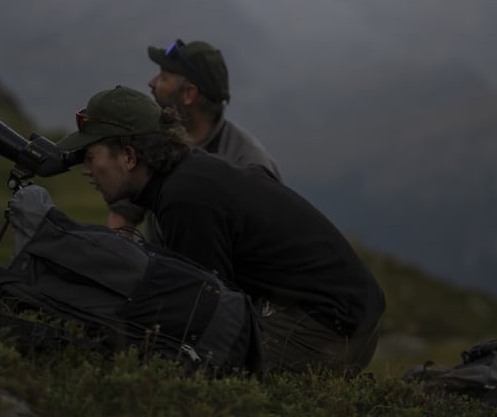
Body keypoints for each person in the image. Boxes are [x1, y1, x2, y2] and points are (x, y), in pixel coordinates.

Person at [57, 85, 386, 376]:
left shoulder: (185, 201)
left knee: (196, 366)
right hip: (351, 315)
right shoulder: (190, 175)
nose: (86, 170)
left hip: (331, 330)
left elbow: (205, 313)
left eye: (90, 156)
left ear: (128, 157)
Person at [146, 38, 281, 182]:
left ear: (189, 94)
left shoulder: (247, 163)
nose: (152, 83)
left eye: (164, 78)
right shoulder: (153, 140)